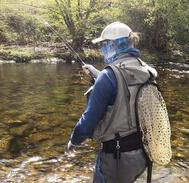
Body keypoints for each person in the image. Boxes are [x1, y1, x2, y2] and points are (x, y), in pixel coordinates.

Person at [66, 22, 158, 183]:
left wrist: (74, 140)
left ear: (114, 44)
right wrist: (97, 74)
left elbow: (88, 122)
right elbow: (127, 87)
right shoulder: (146, 70)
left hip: (117, 158)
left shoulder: (108, 77)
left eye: (104, 44)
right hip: (143, 154)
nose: (102, 49)